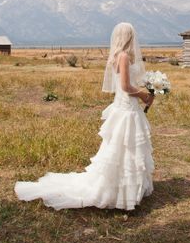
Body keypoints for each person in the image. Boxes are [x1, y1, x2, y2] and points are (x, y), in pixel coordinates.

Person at [14, 22, 154, 211]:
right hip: (126, 107)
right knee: (124, 146)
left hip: (127, 106)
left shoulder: (119, 56)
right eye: (132, 35)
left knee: (124, 146)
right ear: (128, 37)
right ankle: (118, 190)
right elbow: (125, 87)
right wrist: (144, 95)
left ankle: (128, 188)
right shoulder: (122, 56)